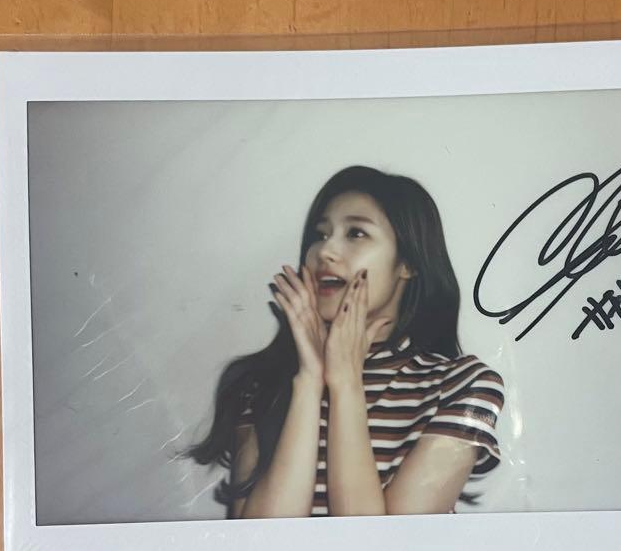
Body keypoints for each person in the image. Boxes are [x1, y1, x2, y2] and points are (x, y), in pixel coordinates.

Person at [187, 165, 504, 517]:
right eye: (321, 234)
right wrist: (309, 381)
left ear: (408, 263)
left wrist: (346, 384)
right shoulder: (262, 383)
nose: (325, 251)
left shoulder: (462, 385)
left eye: (356, 233)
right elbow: (263, 539)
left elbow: (384, 544)